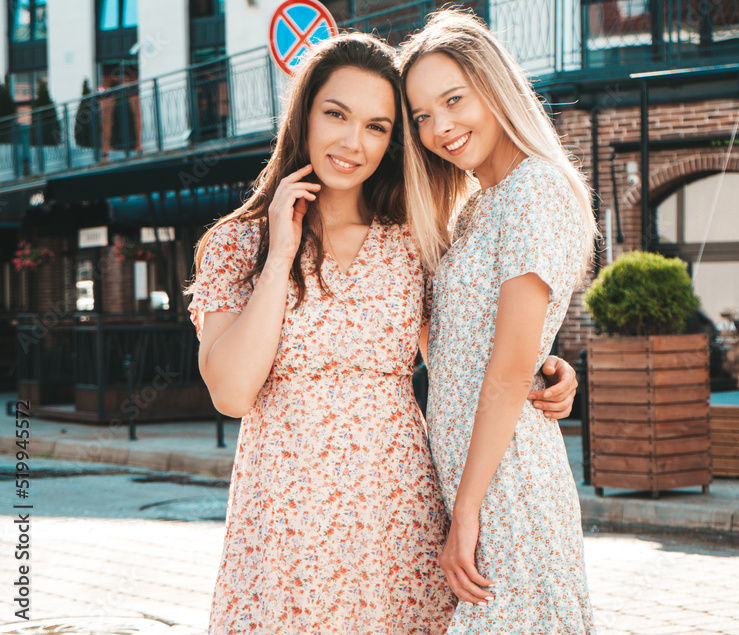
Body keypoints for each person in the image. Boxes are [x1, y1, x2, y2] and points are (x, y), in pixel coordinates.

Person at [186, 32, 577, 634]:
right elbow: (233, 393)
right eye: (336, 115)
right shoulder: (240, 244)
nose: (353, 142)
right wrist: (281, 252)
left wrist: (547, 369)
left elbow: (460, 350)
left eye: (377, 126)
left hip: (400, 511)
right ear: (304, 116)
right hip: (288, 517)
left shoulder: (412, 241)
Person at [400, 10, 598, 633]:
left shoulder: (536, 188)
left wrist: (466, 513)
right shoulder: (473, 208)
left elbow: (509, 372)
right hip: (470, 476)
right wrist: (548, 363)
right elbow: (452, 346)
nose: (440, 127)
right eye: (421, 116)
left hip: (508, 484)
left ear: (494, 86)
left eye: (453, 99)